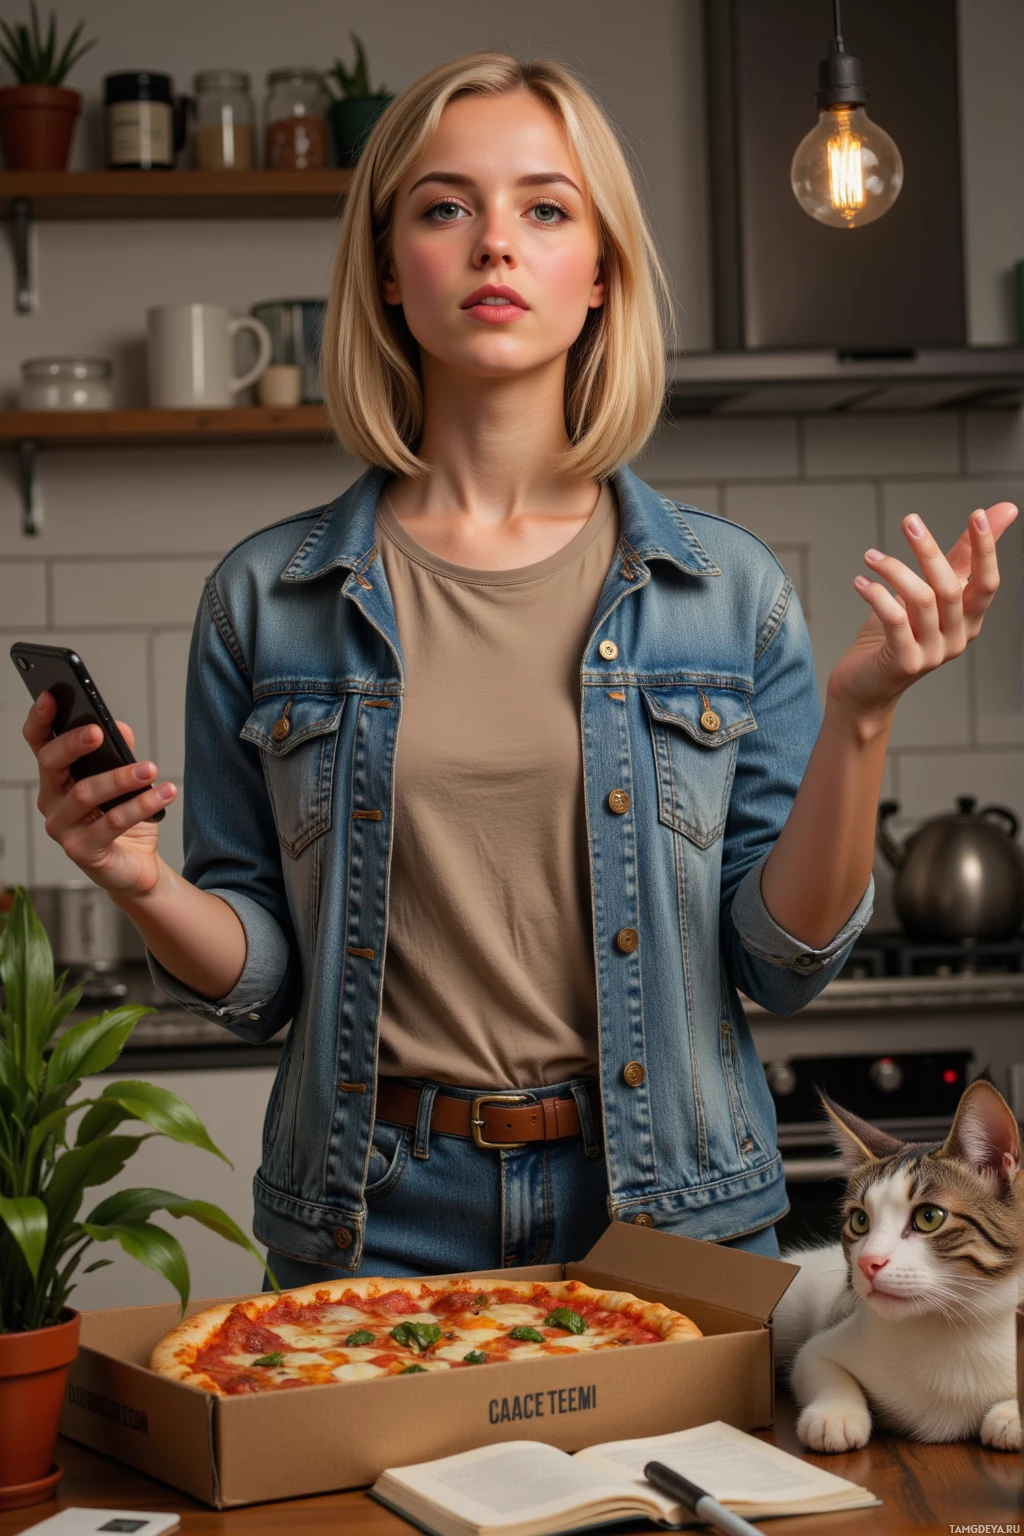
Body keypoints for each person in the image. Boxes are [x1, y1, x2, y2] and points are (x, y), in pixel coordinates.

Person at [24, 52, 1017, 1289]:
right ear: (389, 270)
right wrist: (131, 880)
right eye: (446, 208)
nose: (496, 243)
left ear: (598, 270)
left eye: (544, 209)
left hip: (673, 1213)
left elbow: (781, 960)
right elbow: (262, 981)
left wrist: (863, 716)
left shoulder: (729, 592)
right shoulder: (264, 601)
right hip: (372, 1221)